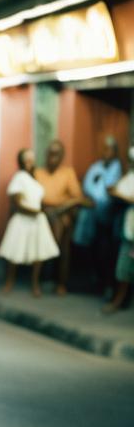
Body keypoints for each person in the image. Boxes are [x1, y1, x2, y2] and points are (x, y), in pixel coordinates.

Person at [0, 148, 59, 296]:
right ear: (21, 161)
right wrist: (35, 212)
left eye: (32, 158)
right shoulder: (19, 177)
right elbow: (17, 203)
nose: (30, 161)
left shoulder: (34, 178)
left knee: (37, 253)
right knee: (14, 252)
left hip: (37, 220)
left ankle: (35, 284)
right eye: (27, 158)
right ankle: (9, 282)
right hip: (23, 219)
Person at [35, 139, 87, 295]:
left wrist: (61, 208)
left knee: (63, 247)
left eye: (56, 154)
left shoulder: (67, 173)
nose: (53, 157)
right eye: (50, 153)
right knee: (40, 246)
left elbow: (78, 197)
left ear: (62, 156)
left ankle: (61, 283)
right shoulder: (38, 172)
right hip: (42, 213)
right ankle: (38, 281)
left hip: (62, 214)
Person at [74, 135, 122, 294]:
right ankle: (97, 281)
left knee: (108, 250)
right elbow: (87, 187)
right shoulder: (96, 167)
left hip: (111, 216)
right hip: (94, 214)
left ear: (115, 152)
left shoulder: (119, 168)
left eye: (109, 149)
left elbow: (115, 190)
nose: (105, 152)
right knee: (93, 247)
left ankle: (109, 284)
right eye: (104, 149)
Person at [103, 147, 134, 315]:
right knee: (124, 267)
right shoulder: (128, 178)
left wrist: (120, 196)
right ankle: (118, 299)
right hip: (127, 229)